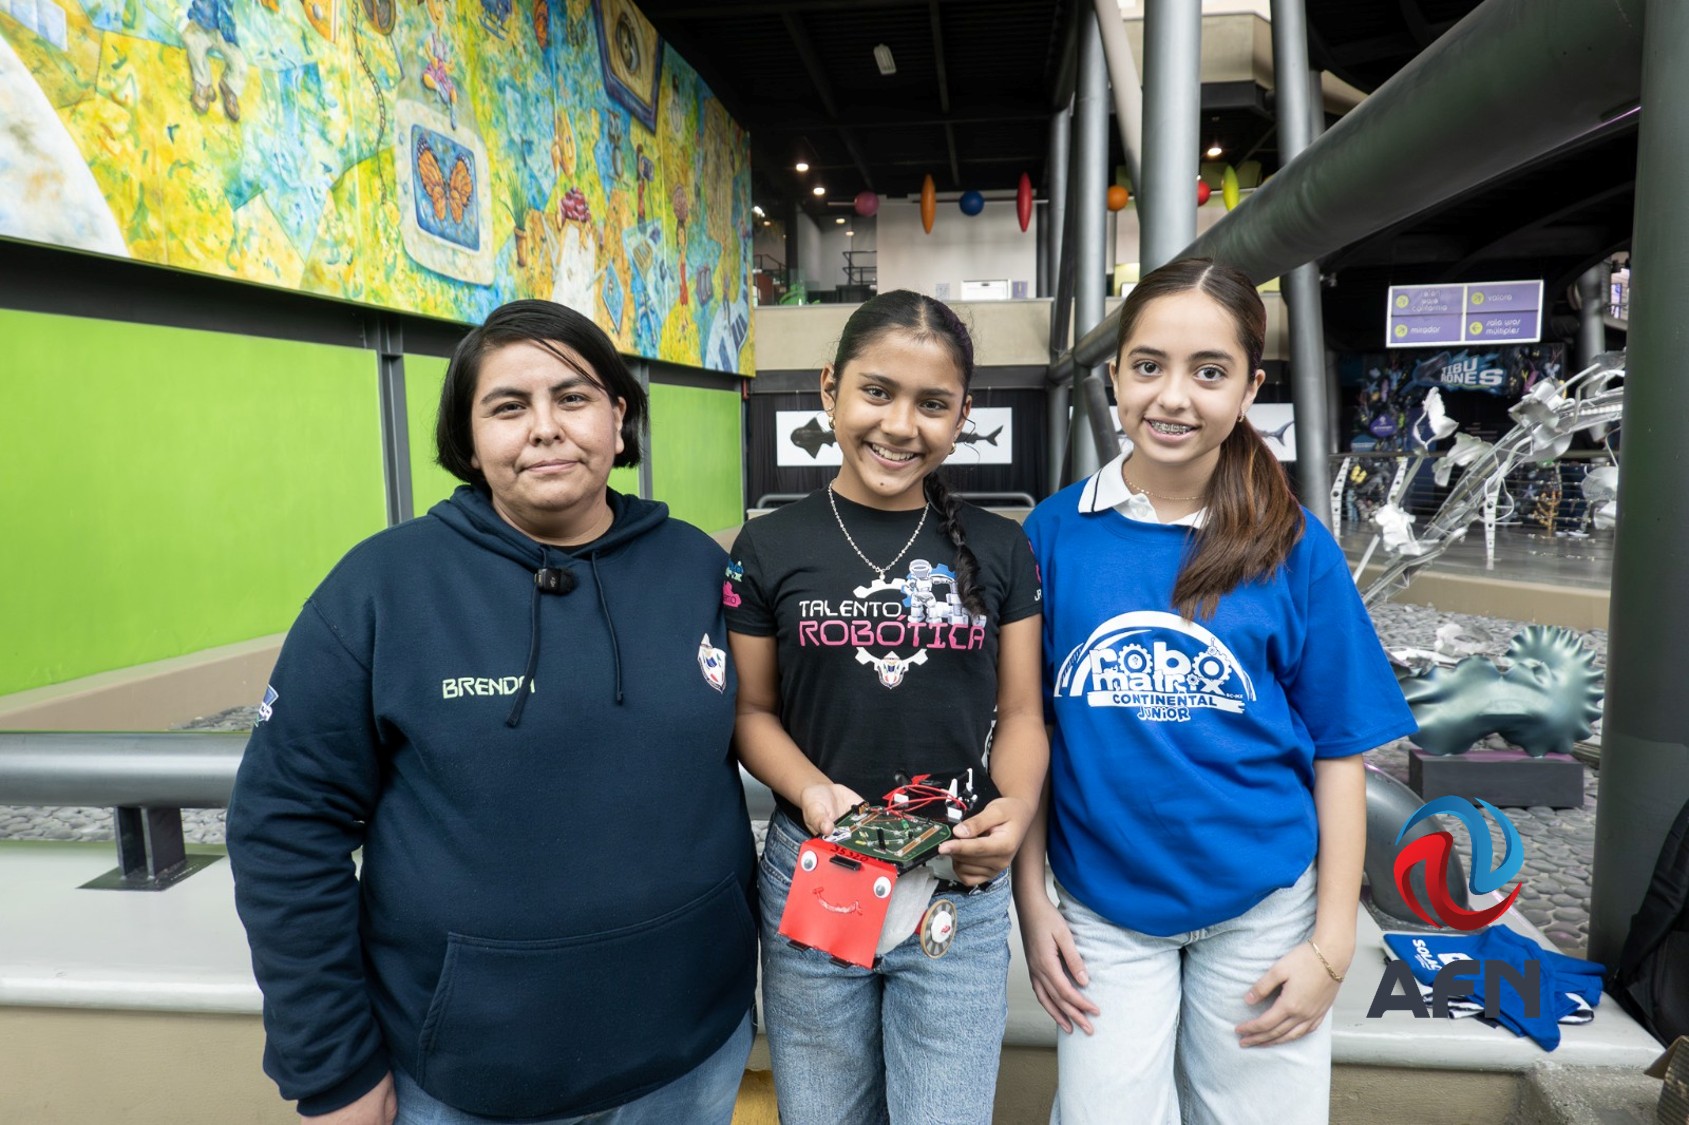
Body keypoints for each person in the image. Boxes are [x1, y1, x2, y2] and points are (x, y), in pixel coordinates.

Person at [227, 300, 756, 1125]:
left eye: (573, 397)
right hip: (466, 1077)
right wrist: (331, 1067)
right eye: (508, 407)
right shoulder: (381, 589)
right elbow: (285, 827)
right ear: (468, 442)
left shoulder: (696, 565)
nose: (544, 428)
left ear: (619, 418)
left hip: (692, 1054)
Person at [1015, 259, 1416, 1124]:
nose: (1173, 396)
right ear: (1114, 373)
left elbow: (1343, 746)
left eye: (1209, 371)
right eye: (1148, 364)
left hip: (1264, 908)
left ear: (1247, 387)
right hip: (1102, 912)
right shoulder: (1051, 534)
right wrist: (1031, 898)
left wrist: (1332, 943)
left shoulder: (1293, 543)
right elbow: (1027, 728)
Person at [725, 290, 1047, 1124]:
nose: (901, 425)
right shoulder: (767, 545)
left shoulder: (1001, 547)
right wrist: (812, 791)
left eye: (932, 404)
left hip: (957, 883)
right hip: (817, 875)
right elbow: (751, 712)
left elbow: (1020, 715)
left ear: (963, 415)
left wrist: (1011, 814)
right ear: (830, 386)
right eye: (877, 391)